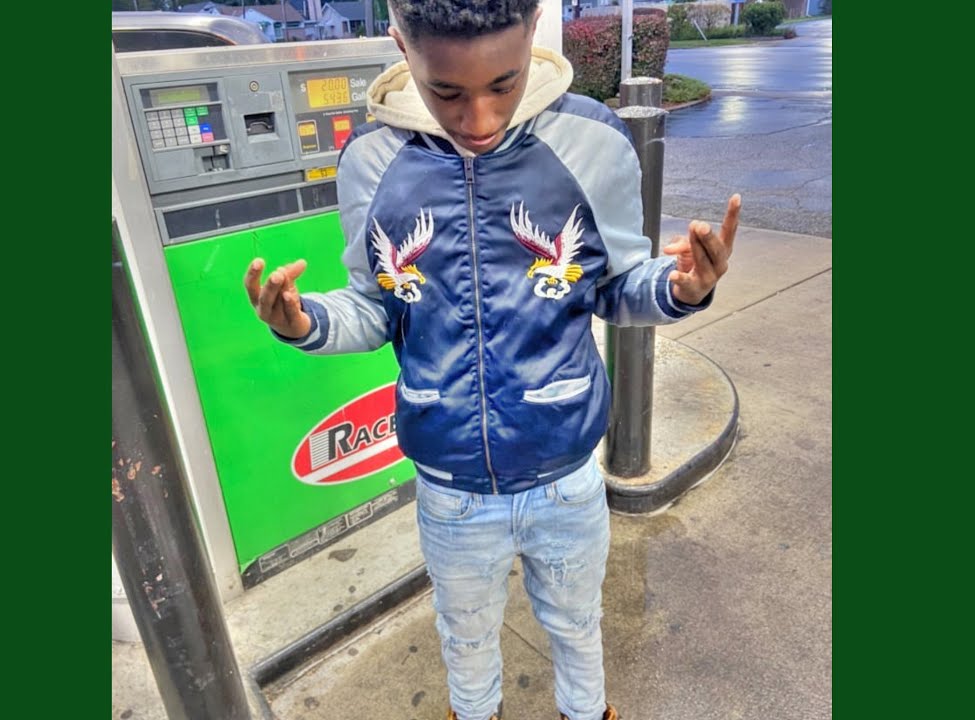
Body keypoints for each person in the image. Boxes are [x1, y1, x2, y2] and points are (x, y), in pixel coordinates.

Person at [243, 2, 741, 718]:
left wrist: (680, 288)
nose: (478, 119)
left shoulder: (592, 139)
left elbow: (615, 286)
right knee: (466, 640)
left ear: (534, 28)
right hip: (451, 488)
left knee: (577, 627)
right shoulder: (370, 159)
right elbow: (376, 306)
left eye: (503, 84)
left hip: (565, 477)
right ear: (401, 46)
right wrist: (305, 322)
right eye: (447, 91)